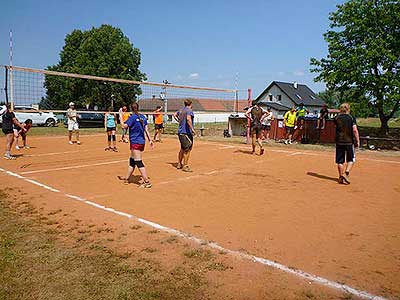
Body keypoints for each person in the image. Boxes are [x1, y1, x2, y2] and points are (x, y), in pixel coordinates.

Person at [119, 102, 153, 188]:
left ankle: (146, 181)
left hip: (135, 142)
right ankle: (127, 178)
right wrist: (150, 140)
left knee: (138, 161)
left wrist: (120, 115)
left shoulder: (132, 118)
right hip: (141, 142)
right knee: (132, 160)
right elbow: (146, 129)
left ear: (131, 109)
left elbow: (123, 126)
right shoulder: (143, 117)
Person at [334, 103, 360, 185]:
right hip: (349, 141)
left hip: (339, 141)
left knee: (340, 161)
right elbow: (355, 130)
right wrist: (358, 141)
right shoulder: (351, 118)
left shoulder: (336, 118)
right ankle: (346, 173)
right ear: (348, 109)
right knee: (351, 159)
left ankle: (341, 177)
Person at [174, 99, 196, 172]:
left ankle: (179, 164)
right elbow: (188, 119)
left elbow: (174, 115)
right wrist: (192, 129)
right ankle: (185, 166)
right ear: (191, 104)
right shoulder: (189, 110)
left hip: (180, 132)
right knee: (188, 149)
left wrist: (178, 121)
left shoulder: (181, 110)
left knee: (182, 148)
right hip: (186, 133)